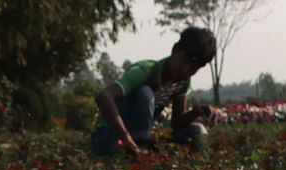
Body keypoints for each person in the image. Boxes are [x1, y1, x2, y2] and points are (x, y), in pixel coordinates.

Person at [91, 26, 216, 157]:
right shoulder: (144, 71)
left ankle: (145, 151)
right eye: (183, 61)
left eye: (193, 68)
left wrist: (195, 112)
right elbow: (104, 96)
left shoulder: (183, 81)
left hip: (140, 138)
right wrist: (126, 137)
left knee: (196, 131)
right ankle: (140, 149)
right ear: (175, 50)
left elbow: (176, 122)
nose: (185, 70)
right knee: (145, 93)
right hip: (110, 137)